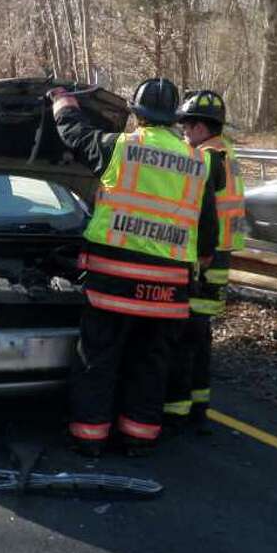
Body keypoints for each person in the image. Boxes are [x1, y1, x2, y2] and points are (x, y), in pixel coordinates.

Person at [48, 78, 222, 457]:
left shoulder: (121, 148)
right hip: (168, 288)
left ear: (137, 114)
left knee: (98, 359)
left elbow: (75, 134)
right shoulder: (197, 162)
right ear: (175, 118)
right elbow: (208, 230)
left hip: (113, 280)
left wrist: (62, 102)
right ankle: (139, 439)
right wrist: (199, 265)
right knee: (150, 364)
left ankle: (89, 439)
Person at [164, 90, 245, 433]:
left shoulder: (206, 158)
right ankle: (198, 407)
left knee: (184, 337)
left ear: (199, 128)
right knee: (200, 337)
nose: (183, 134)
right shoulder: (227, 152)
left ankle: (176, 412)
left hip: (204, 258)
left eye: (185, 128)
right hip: (221, 256)